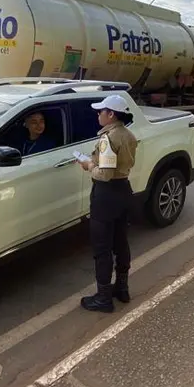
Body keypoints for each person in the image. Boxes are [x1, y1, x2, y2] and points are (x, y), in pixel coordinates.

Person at [76, 95, 138, 313]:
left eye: (101, 111)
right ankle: (122, 288)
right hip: (124, 191)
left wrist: (87, 165)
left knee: (102, 248)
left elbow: (104, 174)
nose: (98, 114)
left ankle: (103, 298)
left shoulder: (108, 139)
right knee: (121, 242)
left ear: (111, 114)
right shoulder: (128, 134)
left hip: (106, 195)